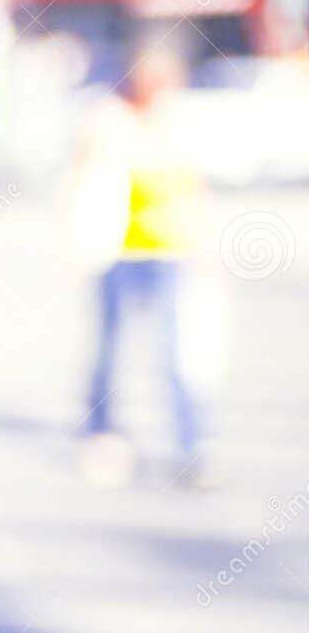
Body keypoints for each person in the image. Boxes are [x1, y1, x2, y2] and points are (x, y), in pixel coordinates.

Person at [72, 42, 211, 488]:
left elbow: (193, 187)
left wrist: (204, 247)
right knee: (111, 347)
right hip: (115, 250)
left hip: (166, 251)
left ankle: (188, 445)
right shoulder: (108, 119)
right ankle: (102, 432)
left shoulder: (177, 123)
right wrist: (74, 244)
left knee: (176, 351)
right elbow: (80, 179)